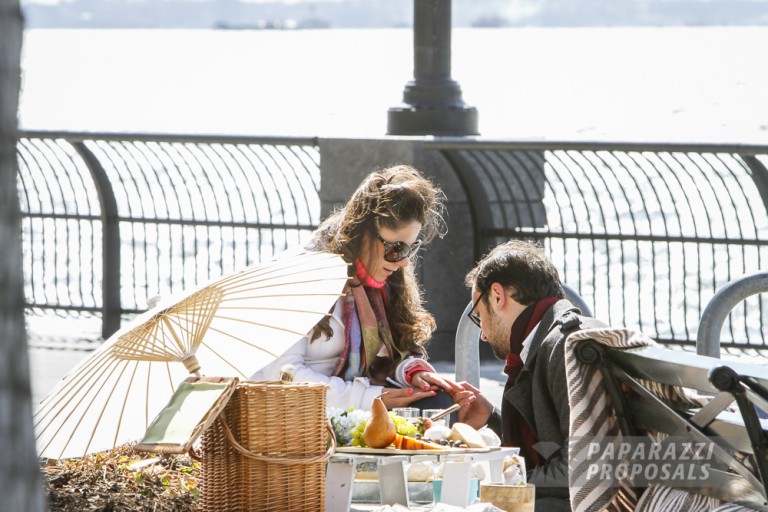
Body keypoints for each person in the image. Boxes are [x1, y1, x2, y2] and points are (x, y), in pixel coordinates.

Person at [251, 164, 464, 412]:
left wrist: (413, 372)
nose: (404, 261)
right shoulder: (302, 275)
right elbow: (283, 375)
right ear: (362, 232)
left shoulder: (388, 278)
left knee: (439, 402)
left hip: (359, 404)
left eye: (410, 248)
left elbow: (395, 352)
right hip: (299, 417)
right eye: (396, 248)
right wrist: (368, 398)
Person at [454, 239, 605, 512]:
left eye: (479, 317)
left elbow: (581, 467)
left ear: (498, 296)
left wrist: (504, 484)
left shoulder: (566, 346)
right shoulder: (552, 339)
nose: (484, 334)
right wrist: (493, 420)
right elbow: (551, 445)